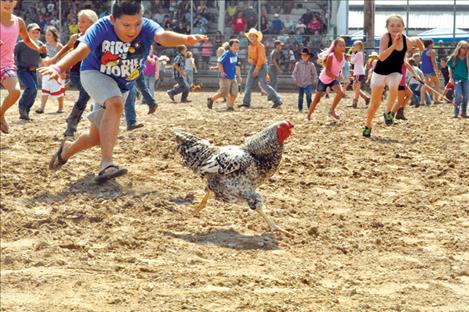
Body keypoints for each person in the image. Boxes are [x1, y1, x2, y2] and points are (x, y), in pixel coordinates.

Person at [40, 0, 207, 183]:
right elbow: (83, 48)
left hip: (122, 84)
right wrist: (58, 67)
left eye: (137, 24)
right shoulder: (102, 27)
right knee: (115, 103)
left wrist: (185, 39)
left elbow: (163, 36)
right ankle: (106, 164)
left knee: (96, 137)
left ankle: (66, 151)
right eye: (126, 25)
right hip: (94, 74)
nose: (132, 30)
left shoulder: (147, 27)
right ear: (113, 19)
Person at [362, 15, 423, 137]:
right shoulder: (385, 37)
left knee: (394, 89)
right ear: (387, 27)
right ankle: (368, 125)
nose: (395, 28)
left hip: (395, 72)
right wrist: (394, 45)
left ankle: (388, 112)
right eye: (392, 25)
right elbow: (382, 57)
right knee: (375, 103)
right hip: (380, 72)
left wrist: (418, 41)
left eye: (398, 25)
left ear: (403, 27)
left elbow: (418, 49)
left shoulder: (406, 40)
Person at [46, 9, 99, 139]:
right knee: (85, 94)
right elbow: (66, 48)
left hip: (92, 72)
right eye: (79, 21)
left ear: (92, 23)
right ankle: (71, 126)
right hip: (76, 73)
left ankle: (73, 121)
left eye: (83, 21)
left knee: (88, 96)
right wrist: (54, 59)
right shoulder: (76, 37)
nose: (79, 24)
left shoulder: (98, 37)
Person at [0, 0, 47, 134]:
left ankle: (1, 114)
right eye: (4, 0)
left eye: (11, 0)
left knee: (15, 92)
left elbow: (26, 39)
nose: (7, 3)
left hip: (6, 65)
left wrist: (38, 48)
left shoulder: (18, 22)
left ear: (15, 2)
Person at [306, 38, 346, 121]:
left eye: (343, 45)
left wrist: (340, 75)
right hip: (324, 79)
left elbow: (339, 67)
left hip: (333, 79)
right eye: (340, 45)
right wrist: (337, 77)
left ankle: (332, 110)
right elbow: (327, 72)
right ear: (334, 47)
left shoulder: (343, 55)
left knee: (341, 93)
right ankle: (308, 115)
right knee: (317, 99)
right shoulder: (331, 56)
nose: (342, 47)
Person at [241, 28, 282, 109]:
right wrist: (250, 60)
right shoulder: (249, 46)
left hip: (262, 66)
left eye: (253, 36)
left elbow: (261, 58)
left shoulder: (261, 46)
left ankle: (277, 100)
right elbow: (249, 57)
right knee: (248, 84)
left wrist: (256, 68)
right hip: (254, 65)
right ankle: (246, 103)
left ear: (256, 37)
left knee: (264, 84)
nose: (251, 37)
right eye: (250, 36)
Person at [14, 23, 47, 121]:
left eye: (37, 32)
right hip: (22, 70)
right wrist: (14, 64)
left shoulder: (40, 44)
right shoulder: (21, 44)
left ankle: (26, 112)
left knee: (34, 91)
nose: (36, 34)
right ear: (27, 33)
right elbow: (13, 54)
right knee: (31, 87)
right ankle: (22, 106)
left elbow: (43, 56)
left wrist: (44, 52)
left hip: (33, 71)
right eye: (33, 32)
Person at [35, 26, 65, 114]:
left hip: (57, 71)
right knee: (44, 89)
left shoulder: (59, 46)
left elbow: (64, 59)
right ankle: (42, 107)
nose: (47, 36)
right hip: (46, 70)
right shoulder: (45, 46)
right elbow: (42, 60)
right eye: (46, 35)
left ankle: (60, 107)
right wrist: (41, 71)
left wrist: (63, 71)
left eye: (49, 35)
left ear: (54, 35)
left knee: (58, 90)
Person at [207, 39, 240, 111]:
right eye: (234, 46)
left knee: (234, 93)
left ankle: (230, 106)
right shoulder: (227, 54)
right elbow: (220, 63)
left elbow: (230, 65)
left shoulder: (236, 54)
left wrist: (237, 74)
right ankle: (211, 99)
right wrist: (221, 72)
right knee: (223, 92)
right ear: (230, 47)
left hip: (232, 76)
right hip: (225, 77)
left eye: (238, 46)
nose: (236, 47)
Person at [447, 40, 469, 118]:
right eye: (464, 48)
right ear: (459, 48)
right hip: (456, 79)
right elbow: (450, 67)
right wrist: (451, 78)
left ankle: (463, 112)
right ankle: (456, 112)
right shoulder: (454, 57)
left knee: (466, 96)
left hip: (466, 78)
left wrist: (467, 58)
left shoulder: (467, 57)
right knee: (458, 95)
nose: (466, 49)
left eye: (467, 48)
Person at [292, 48, 317, 113]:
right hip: (300, 83)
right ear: (301, 56)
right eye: (303, 55)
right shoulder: (298, 64)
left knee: (309, 95)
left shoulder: (311, 65)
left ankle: (310, 108)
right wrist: (294, 79)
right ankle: (300, 108)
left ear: (309, 56)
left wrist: (314, 79)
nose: (304, 57)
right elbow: (294, 73)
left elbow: (314, 74)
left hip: (308, 83)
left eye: (306, 55)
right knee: (300, 96)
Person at [350, 40, 370, 108]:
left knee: (356, 87)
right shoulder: (359, 53)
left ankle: (355, 102)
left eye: (354, 45)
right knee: (355, 87)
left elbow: (352, 61)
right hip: (358, 72)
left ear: (359, 46)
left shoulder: (358, 54)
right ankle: (366, 97)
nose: (353, 47)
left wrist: (352, 53)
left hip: (358, 72)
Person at [421, 39, 442, 104]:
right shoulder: (431, 51)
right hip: (430, 69)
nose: (433, 44)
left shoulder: (423, 51)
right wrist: (437, 70)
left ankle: (422, 101)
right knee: (437, 83)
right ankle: (436, 100)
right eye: (433, 43)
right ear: (430, 44)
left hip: (424, 69)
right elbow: (433, 62)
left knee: (425, 84)